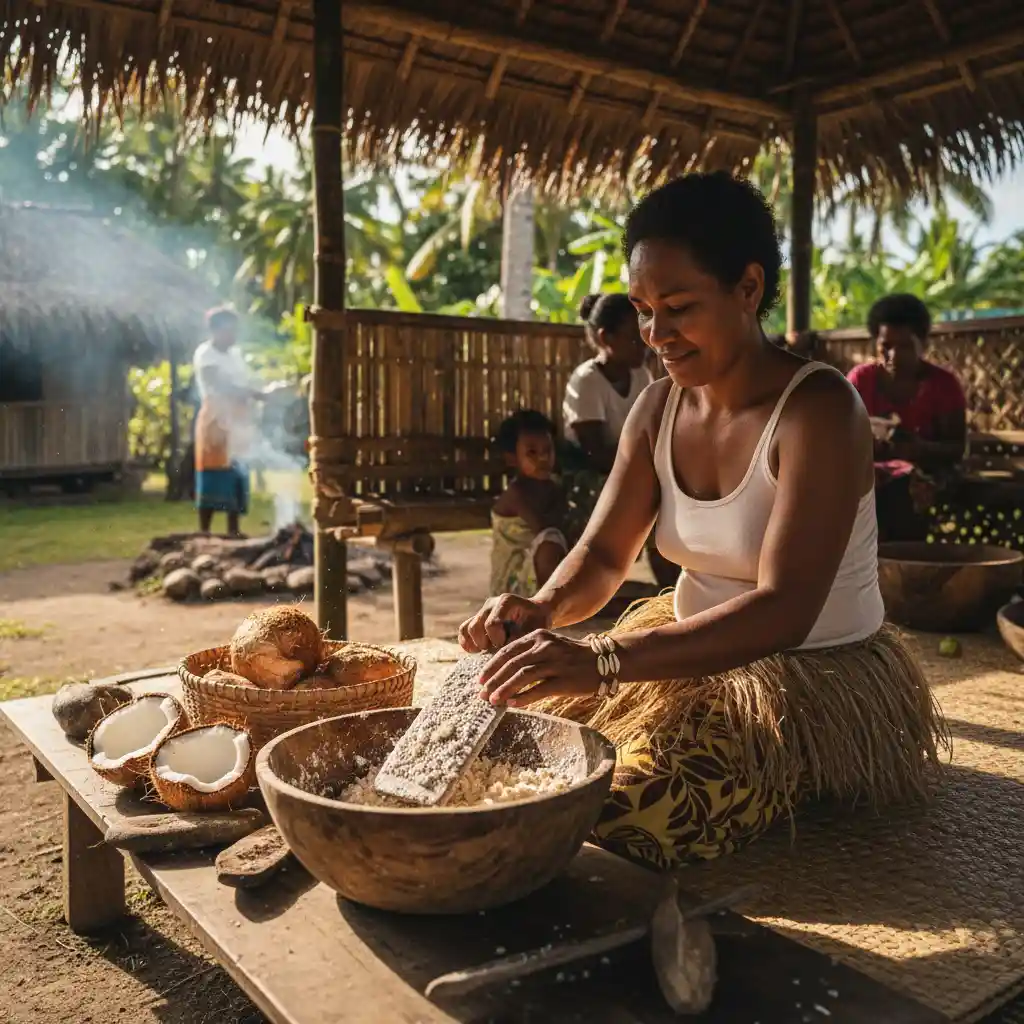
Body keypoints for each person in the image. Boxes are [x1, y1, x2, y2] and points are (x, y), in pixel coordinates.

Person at [460, 172, 946, 871]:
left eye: (678, 307)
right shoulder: (657, 409)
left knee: (621, 809)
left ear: (747, 289)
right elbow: (602, 555)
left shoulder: (819, 410)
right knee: (506, 751)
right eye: (642, 310)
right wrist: (542, 608)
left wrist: (601, 660)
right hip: (681, 655)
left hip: (801, 675)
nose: (656, 333)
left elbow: (785, 611)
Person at [562, 293, 677, 588]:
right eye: (634, 338)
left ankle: (671, 589)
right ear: (605, 338)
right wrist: (643, 468)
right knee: (650, 497)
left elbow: (655, 431)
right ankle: (665, 588)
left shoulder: (640, 374)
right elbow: (593, 451)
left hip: (625, 467)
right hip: (585, 478)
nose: (646, 343)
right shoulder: (586, 381)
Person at [847, 295, 967, 542]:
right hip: (869, 470)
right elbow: (841, 435)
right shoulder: (861, 380)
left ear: (923, 343)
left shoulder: (943, 385)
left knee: (900, 489)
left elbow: (956, 449)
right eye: (886, 346)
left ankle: (901, 564)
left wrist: (917, 449)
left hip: (928, 471)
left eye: (905, 347)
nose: (893, 355)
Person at [192, 307, 265, 536]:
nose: (233, 335)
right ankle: (205, 531)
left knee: (238, 473)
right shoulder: (205, 354)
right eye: (229, 330)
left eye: (235, 330)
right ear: (215, 330)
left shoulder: (236, 355)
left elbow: (245, 381)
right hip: (216, 420)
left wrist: (257, 392)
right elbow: (218, 385)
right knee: (214, 473)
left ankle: (234, 529)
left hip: (238, 420)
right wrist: (253, 393)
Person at [490, 410, 569, 598]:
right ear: (512, 459)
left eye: (547, 450)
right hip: (514, 587)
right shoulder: (516, 494)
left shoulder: (555, 487)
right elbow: (546, 530)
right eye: (532, 452)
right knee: (550, 542)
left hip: (542, 571)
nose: (542, 458)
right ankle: (553, 604)